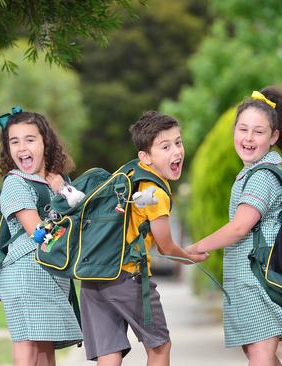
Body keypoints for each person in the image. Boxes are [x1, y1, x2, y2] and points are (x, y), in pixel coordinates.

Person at [185, 86, 282, 366]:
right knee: (261, 356)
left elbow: (239, 227)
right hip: (251, 282)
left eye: (258, 132)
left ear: (274, 137)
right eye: (243, 129)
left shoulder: (262, 177)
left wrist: (197, 247)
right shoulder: (251, 174)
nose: (248, 138)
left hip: (259, 282)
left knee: (259, 356)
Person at [80, 111, 208, 366]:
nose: (177, 151)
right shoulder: (154, 191)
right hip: (128, 277)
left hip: (93, 277)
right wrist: (189, 258)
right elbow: (166, 246)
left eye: (178, 142)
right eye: (165, 146)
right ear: (145, 157)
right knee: (160, 346)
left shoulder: (129, 175)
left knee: (110, 352)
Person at [0, 110, 82, 365]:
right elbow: (40, 234)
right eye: (14, 141)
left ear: (45, 142)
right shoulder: (14, 182)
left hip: (51, 274)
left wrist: (63, 189)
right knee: (28, 347)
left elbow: (81, 215)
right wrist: (61, 195)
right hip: (24, 273)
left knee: (46, 353)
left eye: (30, 139)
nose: (22, 148)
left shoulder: (59, 180)